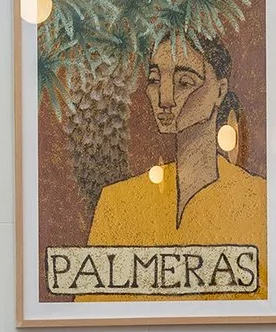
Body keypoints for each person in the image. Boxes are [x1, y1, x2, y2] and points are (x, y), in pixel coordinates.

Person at [84, 34, 266, 294]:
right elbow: (96, 309)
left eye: (184, 82)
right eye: (155, 80)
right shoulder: (117, 202)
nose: (164, 98)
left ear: (220, 90)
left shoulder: (257, 199)